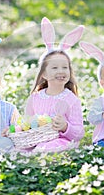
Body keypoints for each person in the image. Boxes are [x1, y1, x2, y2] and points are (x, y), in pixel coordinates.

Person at [23, 17, 85, 152]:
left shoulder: (71, 99)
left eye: (65, 67)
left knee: (43, 149)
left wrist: (65, 127)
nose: (61, 71)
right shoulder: (34, 98)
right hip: (37, 141)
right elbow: (26, 125)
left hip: (61, 142)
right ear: (44, 74)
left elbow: (79, 133)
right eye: (55, 68)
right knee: (14, 148)